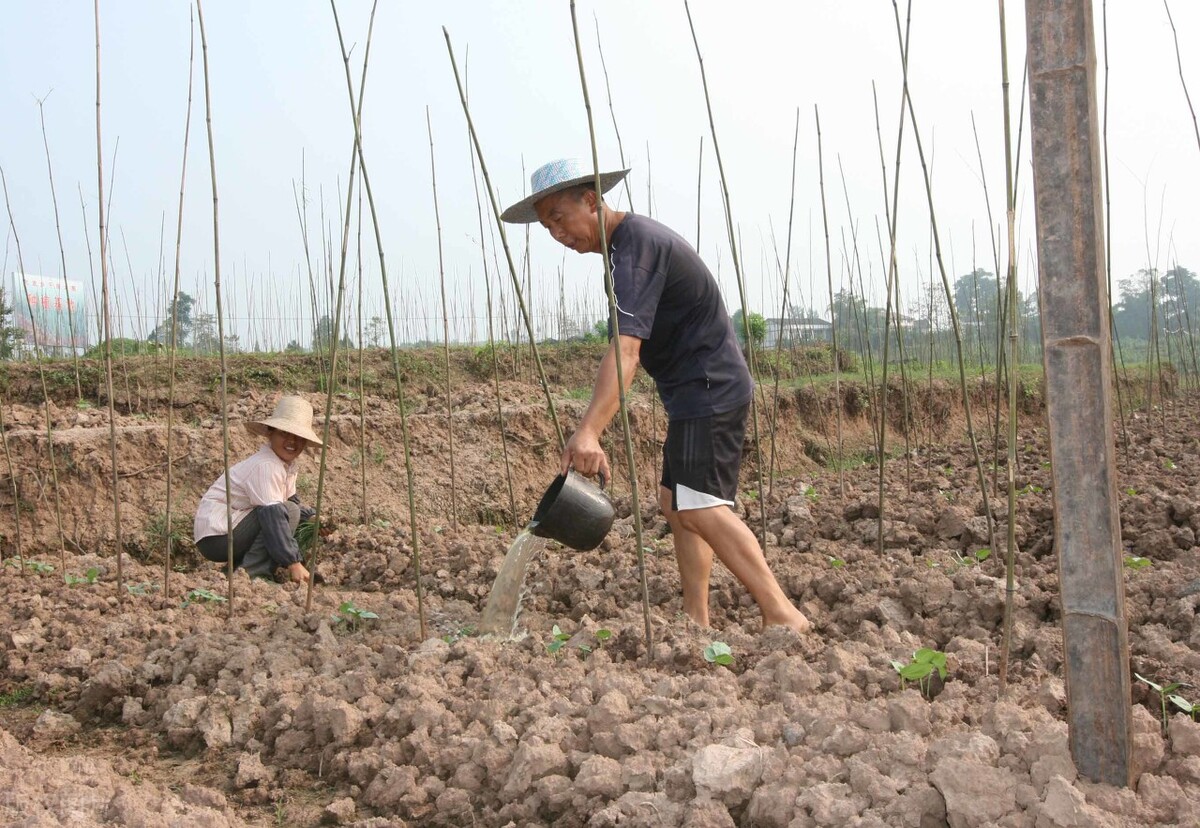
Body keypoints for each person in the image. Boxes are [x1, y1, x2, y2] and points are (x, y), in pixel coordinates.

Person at [501, 158, 811, 633]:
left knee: (701, 505)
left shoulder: (635, 249)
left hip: (708, 388)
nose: (556, 234)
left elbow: (626, 351)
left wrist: (589, 432)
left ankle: (783, 614)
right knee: (678, 502)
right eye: (546, 227)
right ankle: (696, 619)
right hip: (694, 392)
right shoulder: (624, 250)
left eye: (559, 219)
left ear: (590, 200)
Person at [193, 395, 322, 584]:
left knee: (291, 510)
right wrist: (293, 562)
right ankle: (254, 574)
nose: (291, 441)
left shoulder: (285, 467)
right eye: (284, 434)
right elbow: (275, 515)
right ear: (270, 433)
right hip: (217, 537)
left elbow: (290, 502)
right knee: (286, 512)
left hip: (225, 532)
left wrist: (312, 518)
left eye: (298, 437)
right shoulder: (267, 465)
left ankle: (235, 572)